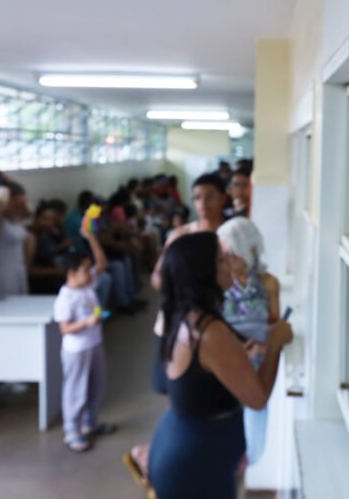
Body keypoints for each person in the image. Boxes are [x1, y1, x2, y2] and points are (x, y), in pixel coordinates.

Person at [146, 232, 292, 499]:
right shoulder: (209, 331)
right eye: (221, 258)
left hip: (188, 448)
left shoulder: (186, 315)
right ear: (203, 270)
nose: (229, 263)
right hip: (195, 464)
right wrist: (275, 343)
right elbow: (258, 398)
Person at [123, 172, 229, 488]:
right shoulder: (182, 235)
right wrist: (187, 285)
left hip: (219, 329)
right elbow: (158, 277)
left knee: (212, 402)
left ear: (222, 198)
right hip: (178, 328)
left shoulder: (231, 233)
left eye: (209, 196)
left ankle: (175, 459)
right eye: (197, 197)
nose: (202, 203)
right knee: (179, 401)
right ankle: (154, 458)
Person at [217, 217, 280, 466]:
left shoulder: (268, 283)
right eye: (223, 256)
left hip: (259, 365)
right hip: (227, 363)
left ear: (251, 250)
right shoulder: (219, 284)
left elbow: (276, 327)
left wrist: (264, 348)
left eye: (233, 255)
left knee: (254, 435)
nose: (227, 261)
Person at [53, 223, 117, 452]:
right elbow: (65, 328)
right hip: (77, 349)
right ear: (72, 274)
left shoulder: (87, 285)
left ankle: (90, 423)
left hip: (94, 344)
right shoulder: (65, 298)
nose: (91, 273)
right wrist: (86, 323)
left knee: (96, 385)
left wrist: (91, 238)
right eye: (85, 270)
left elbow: (102, 263)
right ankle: (71, 430)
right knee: (76, 389)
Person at [0, 173, 31, 296]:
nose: (18, 208)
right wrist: (5, 192)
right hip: (2, 272)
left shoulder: (16, 219)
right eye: (16, 204)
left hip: (19, 269)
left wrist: (13, 183)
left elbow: (29, 211)